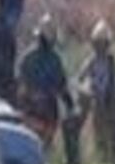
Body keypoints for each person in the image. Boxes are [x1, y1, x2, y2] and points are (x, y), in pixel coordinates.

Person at [18, 14, 74, 154]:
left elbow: (20, 83)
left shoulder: (27, 57)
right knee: (44, 146)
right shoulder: (54, 59)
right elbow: (62, 85)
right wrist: (70, 104)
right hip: (47, 108)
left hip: (30, 107)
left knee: (33, 144)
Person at [76, 19, 115, 164]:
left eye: (104, 43)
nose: (101, 46)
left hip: (111, 101)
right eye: (98, 43)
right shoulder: (91, 61)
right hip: (97, 102)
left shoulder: (111, 61)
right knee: (99, 133)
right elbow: (80, 78)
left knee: (114, 131)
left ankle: (113, 160)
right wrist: (87, 91)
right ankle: (102, 160)